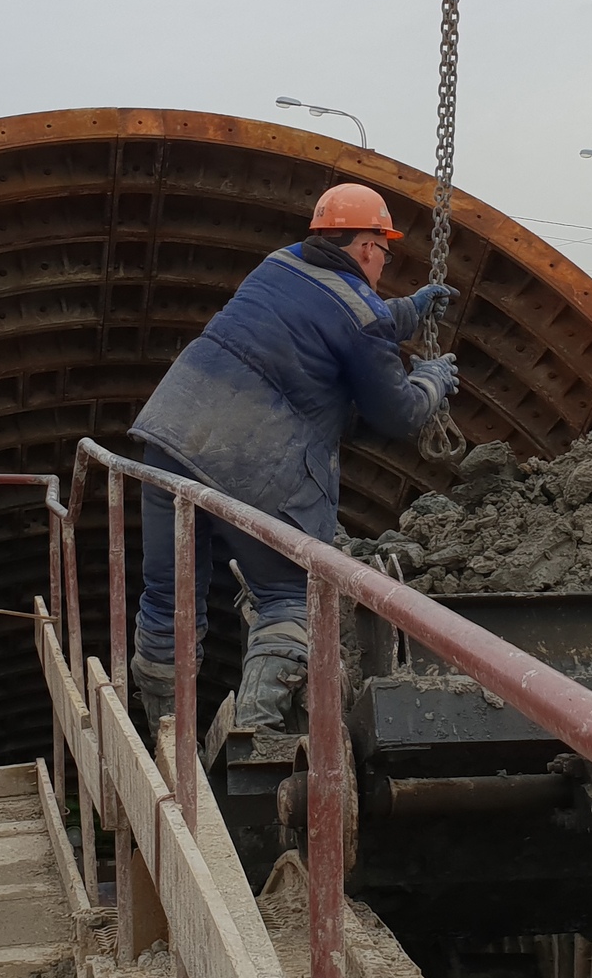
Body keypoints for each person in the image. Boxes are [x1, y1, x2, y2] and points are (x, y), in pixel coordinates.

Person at [128, 183, 457, 735]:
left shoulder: (277, 265)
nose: (385, 262)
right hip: (252, 464)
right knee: (288, 598)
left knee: (168, 601)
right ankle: (251, 739)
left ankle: (162, 734)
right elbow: (397, 412)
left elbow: (332, 316)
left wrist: (409, 309)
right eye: (385, 251)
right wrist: (433, 379)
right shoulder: (362, 315)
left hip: (171, 440)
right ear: (367, 247)